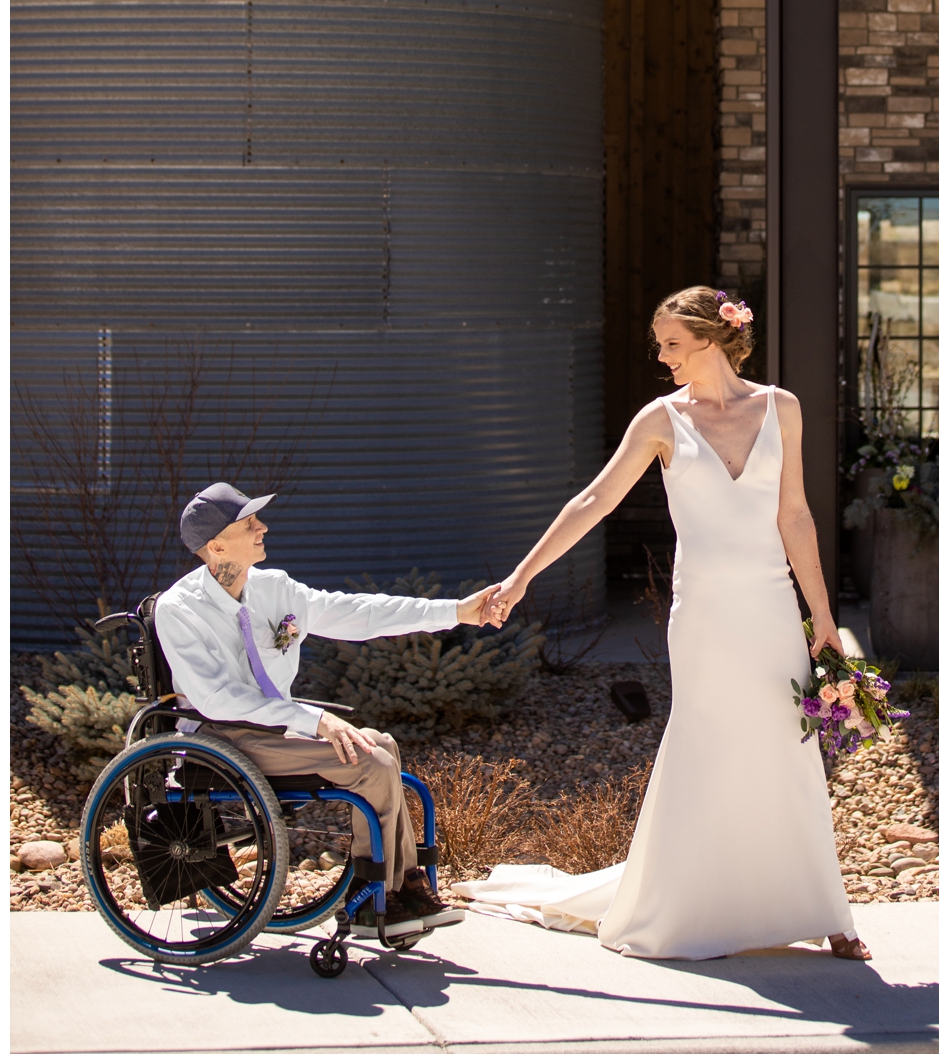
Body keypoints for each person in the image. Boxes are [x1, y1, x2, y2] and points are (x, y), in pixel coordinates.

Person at [472, 288, 870, 962]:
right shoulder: (660, 420)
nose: (660, 358)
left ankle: (825, 911)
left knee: (788, 751)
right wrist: (521, 576)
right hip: (705, 616)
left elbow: (795, 516)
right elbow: (595, 500)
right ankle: (686, 909)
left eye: (670, 344)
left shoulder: (782, 407)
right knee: (706, 743)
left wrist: (824, 618)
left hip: (772, 608)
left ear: (710, 338)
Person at [155, 481, 500, 935]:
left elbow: (359, 613)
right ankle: (371, 900)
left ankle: (405, 887)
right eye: (249, 522)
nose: (263, 527)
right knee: (370, 763)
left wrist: (456, 612)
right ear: (217, 545)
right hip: (222, 737)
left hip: (273, 729)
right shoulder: (179, 608)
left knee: (383, 746)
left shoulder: (274, 589)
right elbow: (216, 699)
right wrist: (312, 720)